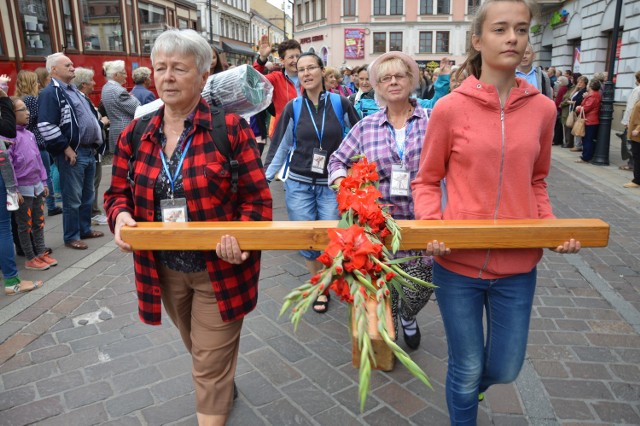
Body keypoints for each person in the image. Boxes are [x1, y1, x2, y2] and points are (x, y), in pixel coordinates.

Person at [411, 0, 580, 423]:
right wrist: (431, 226)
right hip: (458, 265)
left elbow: (537, 181)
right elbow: (427, 179)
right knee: (465, 368)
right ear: (477, 39)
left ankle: (476, 389)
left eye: (521, 29)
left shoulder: (543, 109)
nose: (512, 38)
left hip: (518, 267)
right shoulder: (450, 107)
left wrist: (550, 229)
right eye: (501, 29)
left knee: (506, 367)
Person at [104, 29, 272, 425]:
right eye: (160, 68)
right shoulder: (136, 133)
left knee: (207, 362)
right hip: (164, 270)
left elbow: (258, 200)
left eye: (179, 68)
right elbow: (115, 195)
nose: (167, 77)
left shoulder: (228, 129)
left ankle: (213, 403)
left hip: (220, 270)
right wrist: (121, 217)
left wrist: (242, 237)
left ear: (202, 74)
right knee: (199, 348)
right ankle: (219, 382)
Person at [329, 51, 435, 349]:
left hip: (421, 220)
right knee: (386, 283)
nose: (393, 82)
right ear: (377, 85)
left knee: (417, 288)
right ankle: (392, 323)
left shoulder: (432, 121)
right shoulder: (366, 126)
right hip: (380, 225)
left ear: (411, 79)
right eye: (385, 78)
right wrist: (344, 186)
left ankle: (408, 316)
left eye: (399, 75)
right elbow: (337, 161)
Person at [265, 52, 360, 313]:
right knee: (307, 239)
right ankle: (318, 285)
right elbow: (280, 147)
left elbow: (359, 136)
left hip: (330, 184)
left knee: (330, 238)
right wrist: (264, 179)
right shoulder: (293, 107)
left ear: (321, 70)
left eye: (311, 68)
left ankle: (328, 279)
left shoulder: (341, 103)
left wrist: (358, 170)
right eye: (301, 69)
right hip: (298, 183)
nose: (306, 73)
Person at [38, 53, 105, 250]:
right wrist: (66, 148)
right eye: (67, 65)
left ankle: (84, 229)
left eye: (72, 64)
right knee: (72, 198)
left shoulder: (74, 91)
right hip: (73, 153)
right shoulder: (51, 93)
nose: (72, 67)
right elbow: (46, 125)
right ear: (53, 70)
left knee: (87, 195)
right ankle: (71, 236)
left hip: (87, 151)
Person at [0, 88, 44, 295]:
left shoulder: (28, 134)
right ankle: (12, 280)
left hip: (31, 182)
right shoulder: (11, 131)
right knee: (5, 228)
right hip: (12, 182)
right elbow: (5, 149)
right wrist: (12, 187)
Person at [8, 97, 58, 271]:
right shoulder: (9, 138)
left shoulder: (29, 135)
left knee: (39, 221)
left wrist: (44, 181)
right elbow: (9, 168)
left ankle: (40, 252)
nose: (28, 113)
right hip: (23, 188)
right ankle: (30, 257)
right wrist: (14, 189)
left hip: (36, 185)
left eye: (26, 109)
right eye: (22, 110)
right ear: (10, 114)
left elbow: (38, 160)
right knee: (24, 224)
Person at [15, 70, 60, 217]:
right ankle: (51, 205)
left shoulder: (18, 99)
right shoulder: (32, 100)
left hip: (26, 144)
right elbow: (35, 120)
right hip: (37, 142)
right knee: (45, 174)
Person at [72, 67, 110, 225]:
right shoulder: (80, 99)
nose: (95, 83)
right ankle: (92, 213)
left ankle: (90, 215)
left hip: (92, 149)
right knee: (90, 183)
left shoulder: (83, 98)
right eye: (92, 81)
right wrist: (102, 122)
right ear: (83, 84)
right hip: (88, 149)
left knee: (91, 183)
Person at [253, 36, 301, 142]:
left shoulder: (308, 77)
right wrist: (261, 59)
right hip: (283, 134)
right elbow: (255, 80)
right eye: (291, 57)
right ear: (282, 60)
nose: (295, 60)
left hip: (306, 134)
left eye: (298, 56)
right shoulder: (276, 78)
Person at [101, 60, 140, 153]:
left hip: (116, 131)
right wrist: (131, 97)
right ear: (116, 75)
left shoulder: (106, 88)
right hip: (125, 131)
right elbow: (137, 108)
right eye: (123, 73)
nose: (126, 76)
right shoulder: (119, 91)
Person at [575, 79, 602, 163]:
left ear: (590, 86)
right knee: (588, 139)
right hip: (591, 120)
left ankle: (586, 157)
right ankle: (587, 155)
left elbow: (586, 108)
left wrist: (578, 108)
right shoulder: (594, 95)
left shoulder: (593, 95)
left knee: (587, 140)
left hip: (589, 120)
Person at [617, 71, 640, 171]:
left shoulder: (637, 90)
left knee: (630, 144)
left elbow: (631, 107)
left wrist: (626, 122)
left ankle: (632, 164)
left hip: (634, 122)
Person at [567, 75, 588, 151]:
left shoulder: (584, 91)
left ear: (585, 83)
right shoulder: (578, 90)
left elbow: (580, 101)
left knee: (578, 128)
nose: (579, 83)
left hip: (578, 111)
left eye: (581, 82)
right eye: (578, 82)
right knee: (575, 127)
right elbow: (570, 96)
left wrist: (573, 102)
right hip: (574, 110)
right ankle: (576, 144)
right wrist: (576, 89)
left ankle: (578, 145)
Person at [623, 97, 640, 188]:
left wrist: (637, 129)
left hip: (638, 134)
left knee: (637, 157)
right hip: (635, 132)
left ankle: (637, 181)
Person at [553, 76, 570, 146]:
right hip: (559, 108)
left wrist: (556, 106)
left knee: (557, 125)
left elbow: (559, 99)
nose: (558, 82)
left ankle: (556, 140)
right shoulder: (564, 88)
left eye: (559, 81)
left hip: (559, 109)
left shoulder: (562, 89)